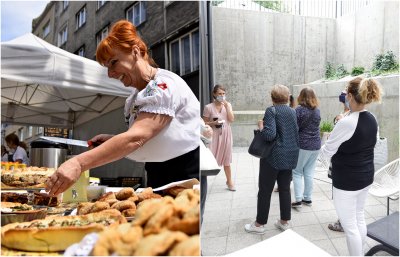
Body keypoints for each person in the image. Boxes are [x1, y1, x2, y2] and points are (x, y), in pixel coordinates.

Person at [45, 20, 199, 196]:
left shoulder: (162, 85)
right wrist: (113, 140)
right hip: (158, 173)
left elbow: (136, 137)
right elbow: (144, 135)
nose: (110, 74)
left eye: (113, 63)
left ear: (134, 52)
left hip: (185, 174)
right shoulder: (136, 96)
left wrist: (78, 163)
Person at [320, 77, 382, 256]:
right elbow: (373, 142)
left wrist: (331, 137)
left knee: (350, 227)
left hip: (347, 181)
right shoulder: (371, 118)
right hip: (366, 176)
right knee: (359, 217)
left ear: (350, 96)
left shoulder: (346, 122)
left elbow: (327, 151)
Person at [244, 84, 299, 234]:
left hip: (273, 157)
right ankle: (284, 222)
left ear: (272, 98)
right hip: (290, 155)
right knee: (285, 189)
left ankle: (259, 224)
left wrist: (262, 127)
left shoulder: (271, 110)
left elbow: (270, 135)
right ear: (287, 97)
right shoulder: (293, 112)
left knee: (265, 190)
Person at [291, 87, 321, 208]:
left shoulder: (299, 110)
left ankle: (298, 200)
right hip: (316, 145)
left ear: (301, 97)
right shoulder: (317, 111)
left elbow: (295, 128)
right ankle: (307, 198)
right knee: (309, 171)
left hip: (303, 145)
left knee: (297, 172)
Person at [203, 85, 235, 191]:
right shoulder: (208, 107)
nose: (222, 96)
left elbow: (231, 119)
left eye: (223, 94)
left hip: (226, 133)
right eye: (220, 94)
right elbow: (203, 123)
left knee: (226, 158)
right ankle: (204, 182)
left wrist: (227, 107)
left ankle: (229, 181)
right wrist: (213, 123)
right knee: (211, 158)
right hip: (214, 134)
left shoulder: (227, 105)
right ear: (214, 94)